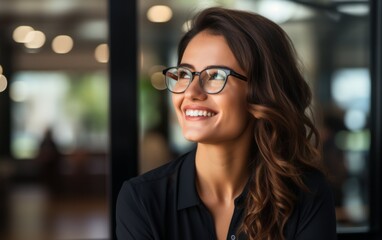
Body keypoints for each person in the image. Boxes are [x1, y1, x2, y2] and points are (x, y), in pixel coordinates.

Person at [116, 7, 337, 240]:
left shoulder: (307, 194)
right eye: (184, 74)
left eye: (215, 76)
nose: (191, 92)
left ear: (262, 92)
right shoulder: (142, 199)